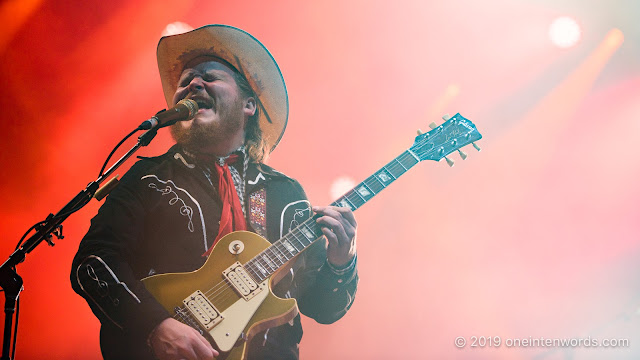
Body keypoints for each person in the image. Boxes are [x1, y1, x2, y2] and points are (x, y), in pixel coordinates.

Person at [71, 24, 358, 360]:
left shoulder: (287, 194)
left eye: (209, 76)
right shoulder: (149, 177)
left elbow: (325, 309)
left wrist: (343, 261)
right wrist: (155, 325)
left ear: (249, 105)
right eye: (185, 81)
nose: (193, 83)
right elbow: (93, 262)